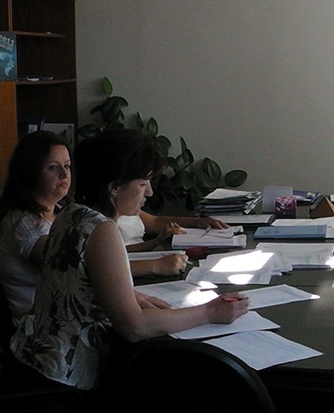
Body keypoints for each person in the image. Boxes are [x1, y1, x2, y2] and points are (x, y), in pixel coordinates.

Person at [9, 128, 249, 393]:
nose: (150, 193)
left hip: (33, 360)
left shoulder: (71, 214)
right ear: (114, 186)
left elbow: (81, 283)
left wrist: (129, 295)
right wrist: (210, 312)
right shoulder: (101, 230)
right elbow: (134, 327)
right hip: (66, 382)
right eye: (143, 184)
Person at [0, 131, 72, 324]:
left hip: (62, 312)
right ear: (30, 172)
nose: (64, 174)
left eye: (67, 166)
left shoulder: (62, 211)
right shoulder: (22, 222)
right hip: (36, 325)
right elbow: (74, 264)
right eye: (53, 167)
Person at [118, 211, 228, 277]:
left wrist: (195, 222)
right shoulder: (107, 219)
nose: (149, 192)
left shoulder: (129, 206)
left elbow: (154, 221)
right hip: (132, 268)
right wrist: (156, 242)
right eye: (142, 185)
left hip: (145, 258)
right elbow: (117, 253)